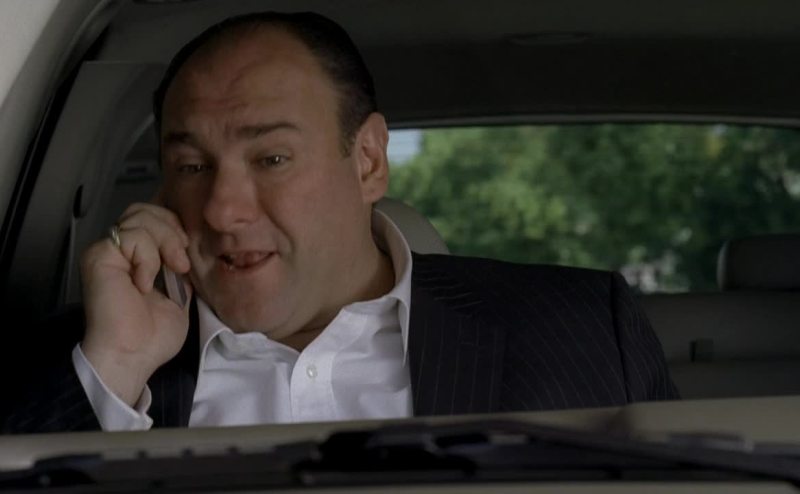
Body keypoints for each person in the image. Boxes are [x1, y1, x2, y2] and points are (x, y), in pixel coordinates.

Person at [4, 11, 677, 433]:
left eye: (271, 158)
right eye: (191, 166)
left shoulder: (583, 331)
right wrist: (116, 369)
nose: (221, 210)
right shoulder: (80, 363)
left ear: (368, 162)